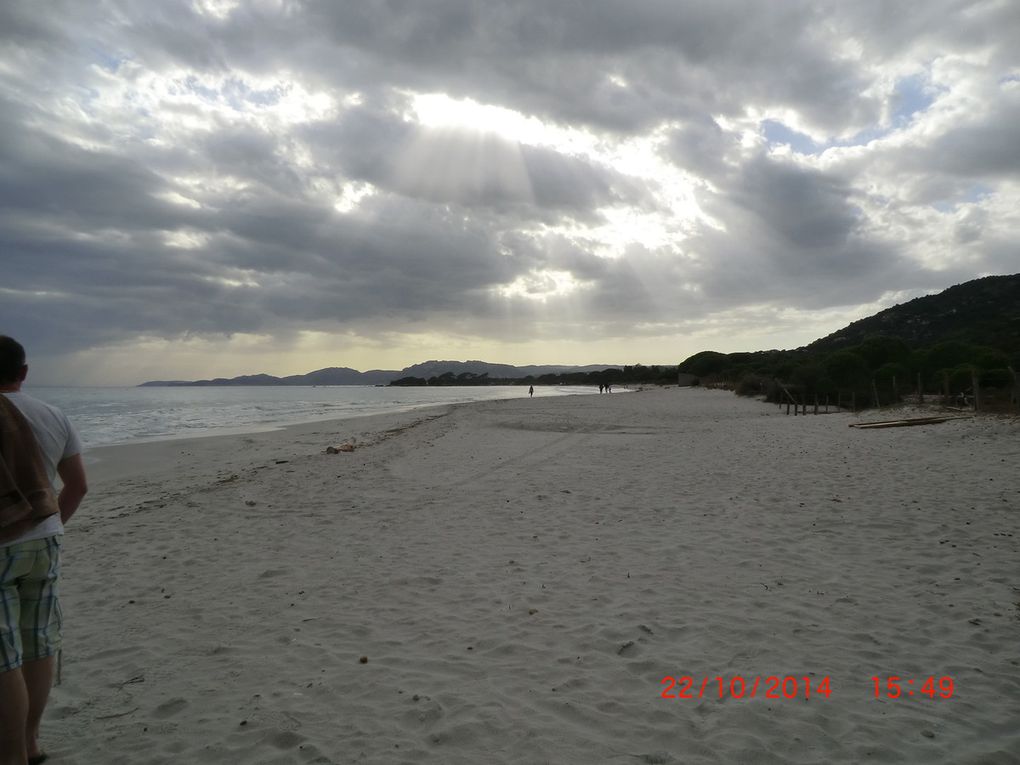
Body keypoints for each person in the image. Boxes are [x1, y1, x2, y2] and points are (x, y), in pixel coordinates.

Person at [0, 336, 87, 765]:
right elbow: (77, 485)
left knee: (4, 656)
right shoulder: (52, 414)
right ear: (24, 372)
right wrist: (53, 528)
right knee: (37, 643)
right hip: (45, 539)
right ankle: (31, 743)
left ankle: (11, 753)